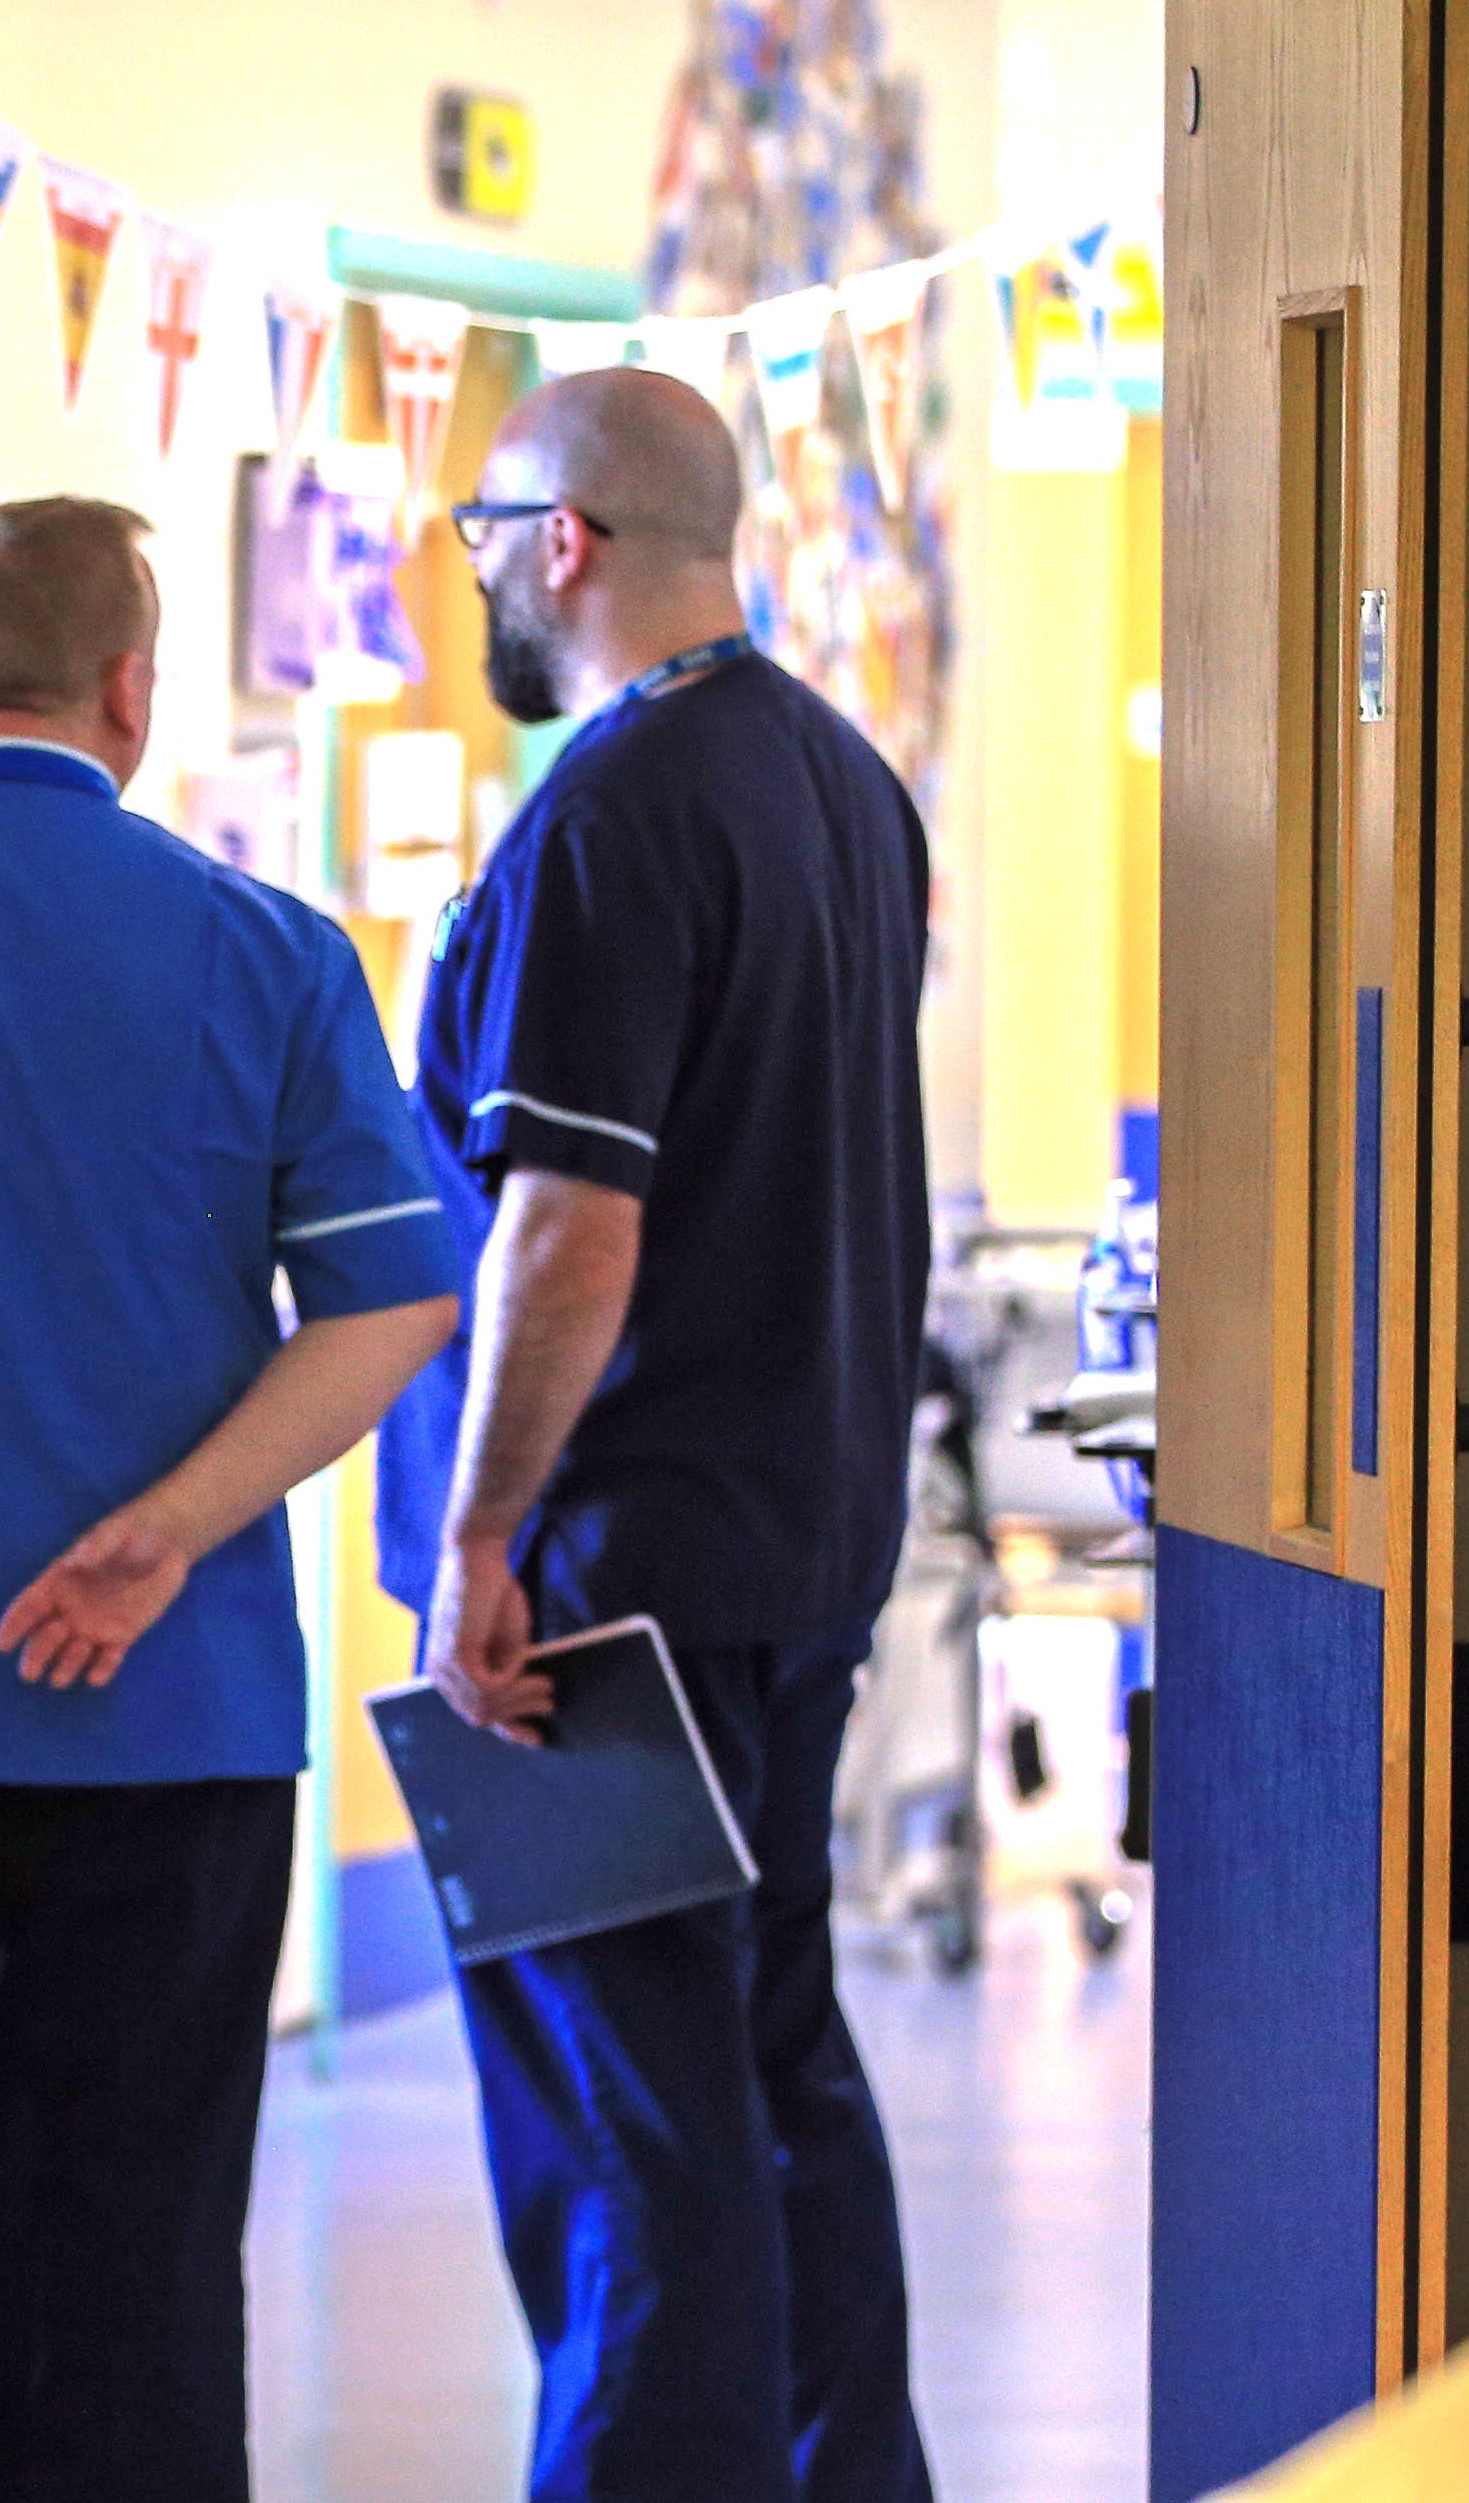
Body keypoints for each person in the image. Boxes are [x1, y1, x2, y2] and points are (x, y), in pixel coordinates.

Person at [0, 497, 459, 2503]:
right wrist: (170, 1528)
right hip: (164, 1717)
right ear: (133, 683)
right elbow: (388, 1305)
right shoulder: (262, 951)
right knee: (125, 2250)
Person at [375, 367, 934, 2503]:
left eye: (481, 539)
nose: (482, 581)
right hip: (796, 1543)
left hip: (605, 1592)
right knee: (772, 2065)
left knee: (631, 2115)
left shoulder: (607, 819)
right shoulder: (836, 784)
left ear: (564, 540)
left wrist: (477, 1546)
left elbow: (568, 1230)